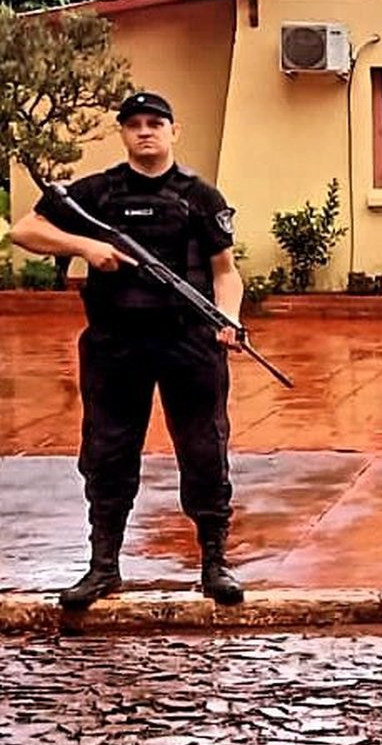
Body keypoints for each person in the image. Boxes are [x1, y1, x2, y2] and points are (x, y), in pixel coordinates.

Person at [10, 91, 246, 608]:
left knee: (204, 450)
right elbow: (25, 230)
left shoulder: (200, 196)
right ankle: (103, 567)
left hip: (189, 340)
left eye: (155, 123)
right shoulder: (97, 193)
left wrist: (227, 318)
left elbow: (226, 272)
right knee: (108, 453)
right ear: (123, 133)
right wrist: (85, 246)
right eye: (134, 123)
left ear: (173, 131)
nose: (145, 131)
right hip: (115, 343)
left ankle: (215, 563)